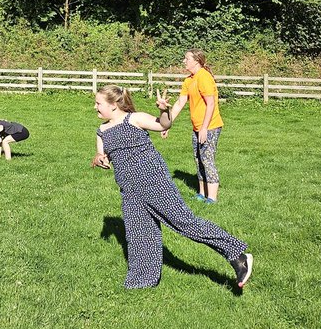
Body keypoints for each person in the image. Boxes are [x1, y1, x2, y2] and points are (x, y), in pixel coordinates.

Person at [93, 84, 251, 291]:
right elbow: (102, 155)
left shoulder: (135, 119)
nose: (95, 107)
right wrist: (99, 159)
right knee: (139, 235)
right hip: (129, 190)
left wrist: (163, 111)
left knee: (185, 223)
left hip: (154, 182)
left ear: (114, 105)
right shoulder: (102, 131)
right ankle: (142, 281)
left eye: (98, 103)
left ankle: (237, 255)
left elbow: (163, 125)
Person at [156, 49, 224, 203]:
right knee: (198, 158)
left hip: (210, 126)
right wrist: (167, 125)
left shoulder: (204, 77)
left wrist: (205, 128)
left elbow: (211, 103)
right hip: (197, 127)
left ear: (197, 61)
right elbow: (180, 103)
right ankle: (201, 193)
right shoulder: (189, 80)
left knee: (207, 159)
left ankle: (212, 198)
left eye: (186, 58)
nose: (184, 61)